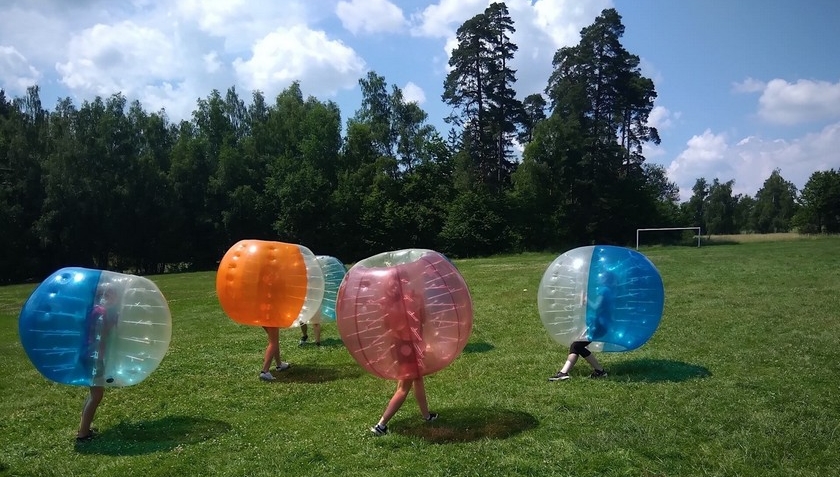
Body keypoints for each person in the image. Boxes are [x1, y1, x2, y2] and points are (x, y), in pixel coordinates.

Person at [370, 269, 438, 436]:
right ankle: (381, 425)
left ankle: (426, 415)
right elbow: (423, 319)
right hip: (410, 347)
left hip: (399, 346)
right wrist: (418, 302)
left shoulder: (386, 302)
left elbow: (387, 326)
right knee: (403, 387)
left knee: (418, 379)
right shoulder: (412, 301)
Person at [549, 271, 614, 381]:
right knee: (577, 346)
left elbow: (596, 307)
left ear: (605, 279)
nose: (598, 278)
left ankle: (598, 371)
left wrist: (586, 300)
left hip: (599, 325)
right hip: (598, 324)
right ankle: (565, 372)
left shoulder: (604, 290)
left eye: (600, 277)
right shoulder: (607, 290)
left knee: (577, 346)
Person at [77, 283, 119, 442]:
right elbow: (102, 332)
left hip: (89, 356)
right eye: (113, 295)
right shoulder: (100, 312)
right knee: (96, 396)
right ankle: (83, 434)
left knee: (93, 395)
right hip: (93, 358)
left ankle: (84, 428)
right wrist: (113, 321)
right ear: (106, 296)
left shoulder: (94, 310)